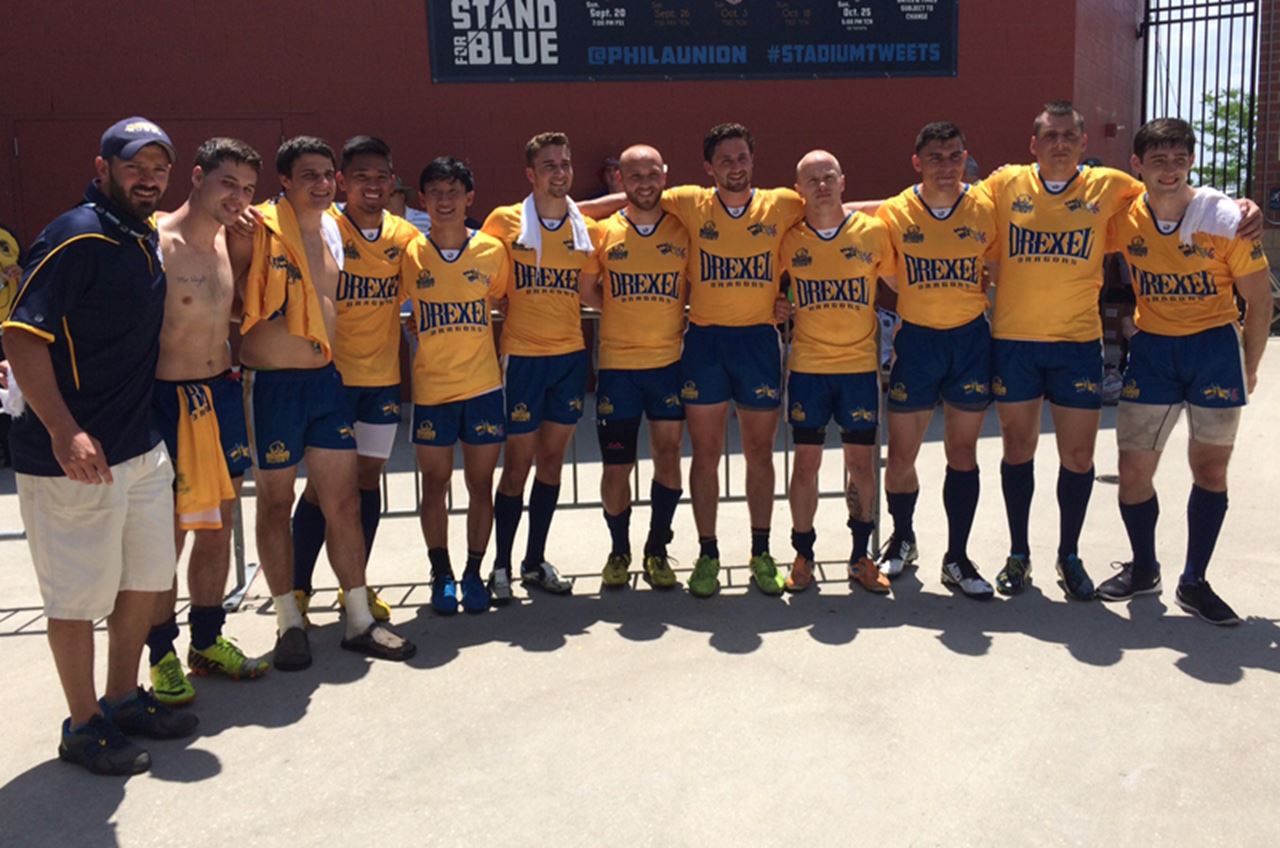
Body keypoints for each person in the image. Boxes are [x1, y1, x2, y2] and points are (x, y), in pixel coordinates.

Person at [974, 100, 1260, 601]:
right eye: (1049, 135)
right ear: (1033, 145)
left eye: (1069, 135)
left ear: (1085, 145)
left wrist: (1244, 205)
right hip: (1032, 341)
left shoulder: (1135, 196)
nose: (1059, 143)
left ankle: (1086, 558)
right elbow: (944, 202)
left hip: (1101, 343)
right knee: (1037, 453)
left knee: (1093, 459)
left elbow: (1195, 209)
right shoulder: (1014, 186)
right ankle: (1026, 555)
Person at [3, 117, 196, 775]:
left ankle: (120, 698)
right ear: (104, 165)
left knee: (145, 579)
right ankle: (83, 726)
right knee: (77, 600)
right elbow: (22, 336)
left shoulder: (138, 234)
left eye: (159, 168)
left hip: (139, 447)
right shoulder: (76, 235)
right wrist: (63, 430)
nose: (148, 178)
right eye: (135, 165)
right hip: (73, 459)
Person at [236, 136, 415, 668]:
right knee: (274, 502)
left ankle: (357, 617)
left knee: (343, 501)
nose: (320, 183)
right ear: (284, 181)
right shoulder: (258, 227)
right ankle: (289, 619)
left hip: (325, 382)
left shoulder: (333, 233)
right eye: (307, 175)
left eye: (326, 175)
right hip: (271, 384)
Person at [1096, 118, 1271, 625]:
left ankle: (1194, 580)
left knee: (1210, 470)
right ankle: (1144, 566)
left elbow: (1259, 302)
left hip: (1214, 349)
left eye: (1178, 160)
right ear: (1137, 165)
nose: (1169, 171)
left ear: (1191, 161)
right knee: (1133, 472)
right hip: (1153, 351)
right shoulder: (1125, 218)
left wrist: (1251, 367)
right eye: (1158, 161)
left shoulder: (1225, 219)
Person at [144, 138, 269, 706]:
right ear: (196, 177)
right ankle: (161, 652)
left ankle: (207, 639)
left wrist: (242, 254)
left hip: (219, 392)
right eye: (228, 184)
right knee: (163, 538)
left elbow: (240, 310)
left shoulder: (228, 241)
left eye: (247, 189)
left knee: (219, 525)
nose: (238, 198)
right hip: (164, 401)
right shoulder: (153, 241)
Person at [660, 123, 804, 597]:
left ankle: (761, 551)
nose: (735, 167)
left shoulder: (782, 204)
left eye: (742, 158)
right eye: (725, 160)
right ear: (708, 168)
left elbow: (838, 213)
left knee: (760, 452)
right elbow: (627, 205)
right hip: (705, 343)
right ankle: (707, 552)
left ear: (753, 160)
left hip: (758, 343)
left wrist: (787, 295)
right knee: (705, 453)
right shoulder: (687, 201)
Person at [289, 136, 418, 624]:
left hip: (381, 380)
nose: (372, 186)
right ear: (342, 181)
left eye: (380, 177)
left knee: (367, 480)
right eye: (360, 177)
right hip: (330, 380)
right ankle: (299, 586)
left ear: (391, 181)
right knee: (323, 488)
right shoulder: (321, 228)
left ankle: (353, 587)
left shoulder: (404, 237)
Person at [875, 122, 1000, 599]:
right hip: (919, 343)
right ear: (917, 163)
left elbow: (997, 263)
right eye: (935, 158)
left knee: (962, 454)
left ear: (964, 157)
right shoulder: (896, 212)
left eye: (953, 157)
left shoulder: (985, 207)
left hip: (970, 342)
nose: (945, 166)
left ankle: (958, 556)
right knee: (902, 454)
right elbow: (890, 274)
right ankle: (903, 538)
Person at [481, 132, 601, 603]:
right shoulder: (504, 221)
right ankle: (501, 565)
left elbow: (590, 293)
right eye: (549, 165)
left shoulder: (581, 226)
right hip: (523, 360)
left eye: (566, 164)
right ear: (530, 174)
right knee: (517, 466)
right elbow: (482, 285)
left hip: (569, 357)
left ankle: (534, 561)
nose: (560, 172)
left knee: (552, 463)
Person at [780, 150, 892, 596]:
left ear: (843, 181)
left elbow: (905, 283)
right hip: (808, 369)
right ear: (798, 189)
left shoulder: (873, 232)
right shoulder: (788, 238)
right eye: (812, 179)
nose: (822, 185)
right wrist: (775, 303)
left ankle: (861, 556)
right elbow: (766, 287)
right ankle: (803, 554)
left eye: (829, 177)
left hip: (858, 370)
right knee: (805, 464)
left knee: (860, 464)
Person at [578, 144, 688, 590]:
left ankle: (658, 548)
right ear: (619, 181)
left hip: (667, 365)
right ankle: (619, 549)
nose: (645, 182)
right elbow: (587, 290)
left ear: (665, 174)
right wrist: (621, 313)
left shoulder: (683, 228)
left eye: (652, 173)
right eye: (634, 175)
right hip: (619, 368)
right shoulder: (603, 232)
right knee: (616, 467)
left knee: (668, 457)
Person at [403, 157, 509, 614]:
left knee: (480, 485)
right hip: (432, 391)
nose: (444, 201)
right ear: (422, 200)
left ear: (470, 197)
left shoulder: (491, 250)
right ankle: (441, 571)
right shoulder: (409, 252)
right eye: (435, 193)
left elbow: (502, 299)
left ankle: (473, 571)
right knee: (435, 484)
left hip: (483, 387)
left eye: (453, 192)